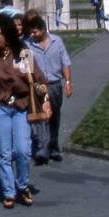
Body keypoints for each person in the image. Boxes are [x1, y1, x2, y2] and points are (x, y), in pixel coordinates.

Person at [0, 12, 48, 207]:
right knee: (5, 153)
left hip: (21, 107)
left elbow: (39, 77)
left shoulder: (23, 53)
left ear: (7, 34)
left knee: (23, 151)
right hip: (0, 108)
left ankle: (22, 185)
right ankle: (9, 192)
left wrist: (44, 94)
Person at [24, 12, 73, 164]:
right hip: (40, 86)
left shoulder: (57, 42)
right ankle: (42, 150)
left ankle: (54, 148)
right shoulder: (28, 45)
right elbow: (27, 68)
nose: (33, 34)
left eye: (35, 31)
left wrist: (68, 82)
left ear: (44, 29)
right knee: (42, 118)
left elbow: (65, 63)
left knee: (54, 117)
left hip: (55, 85)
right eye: (31, 32)